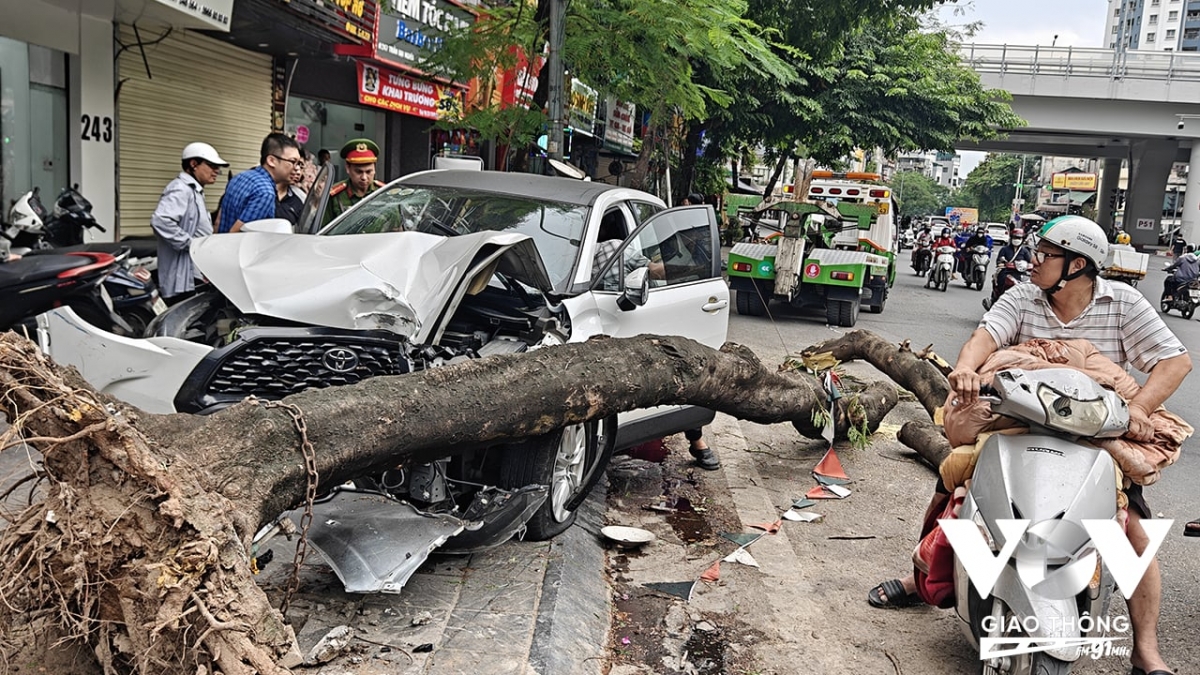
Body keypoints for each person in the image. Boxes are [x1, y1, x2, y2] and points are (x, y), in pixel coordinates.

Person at [868, 215, 1190, 675]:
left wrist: (1138, 410)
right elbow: (985, 337)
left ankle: (1145, 649)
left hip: (1092, 436)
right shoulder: (1021, 296)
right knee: (955, 485)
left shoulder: (1123, 303)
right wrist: (964, 368)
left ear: (1077, 265)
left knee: (1134, 532)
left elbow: (1175, 362)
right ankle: (921, 580)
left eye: (1044, 255)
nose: (1031, 261)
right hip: (1015, 426)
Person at [592, 210, 719, 471]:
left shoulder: (574, 255)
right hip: (628, 331)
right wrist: (692, 264)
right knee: (686, 375)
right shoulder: (617, 247)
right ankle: (698, 443)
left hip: (606, 328)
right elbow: (656, 272)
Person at [151, 142, 228, 304]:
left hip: (194, 274)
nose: (217, 171)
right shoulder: (180, 189)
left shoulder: (194, 190)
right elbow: (161, 221)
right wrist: (191, 245)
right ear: (193, 164)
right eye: (212, 166)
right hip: (183, 278)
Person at [216, 133, 301, 233]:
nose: (297, 168)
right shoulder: (265, 193)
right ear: (271, 161)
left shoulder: (240, 177)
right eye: (292, 162)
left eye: (299, 163)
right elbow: (236, 235)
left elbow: (219, 221)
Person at [322, 138, 386, 228]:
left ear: (375, 169)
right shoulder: (335, 195)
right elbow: (324, 229)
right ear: (348, 168)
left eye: (368, 172)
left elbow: (396, 227)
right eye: (359, 172)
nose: (364, 177)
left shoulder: (384, 193)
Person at [275, 152, 308, 227]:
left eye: (301, 166)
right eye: (293, 162)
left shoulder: (300, 199)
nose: (298, 171)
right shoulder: (260, 189)